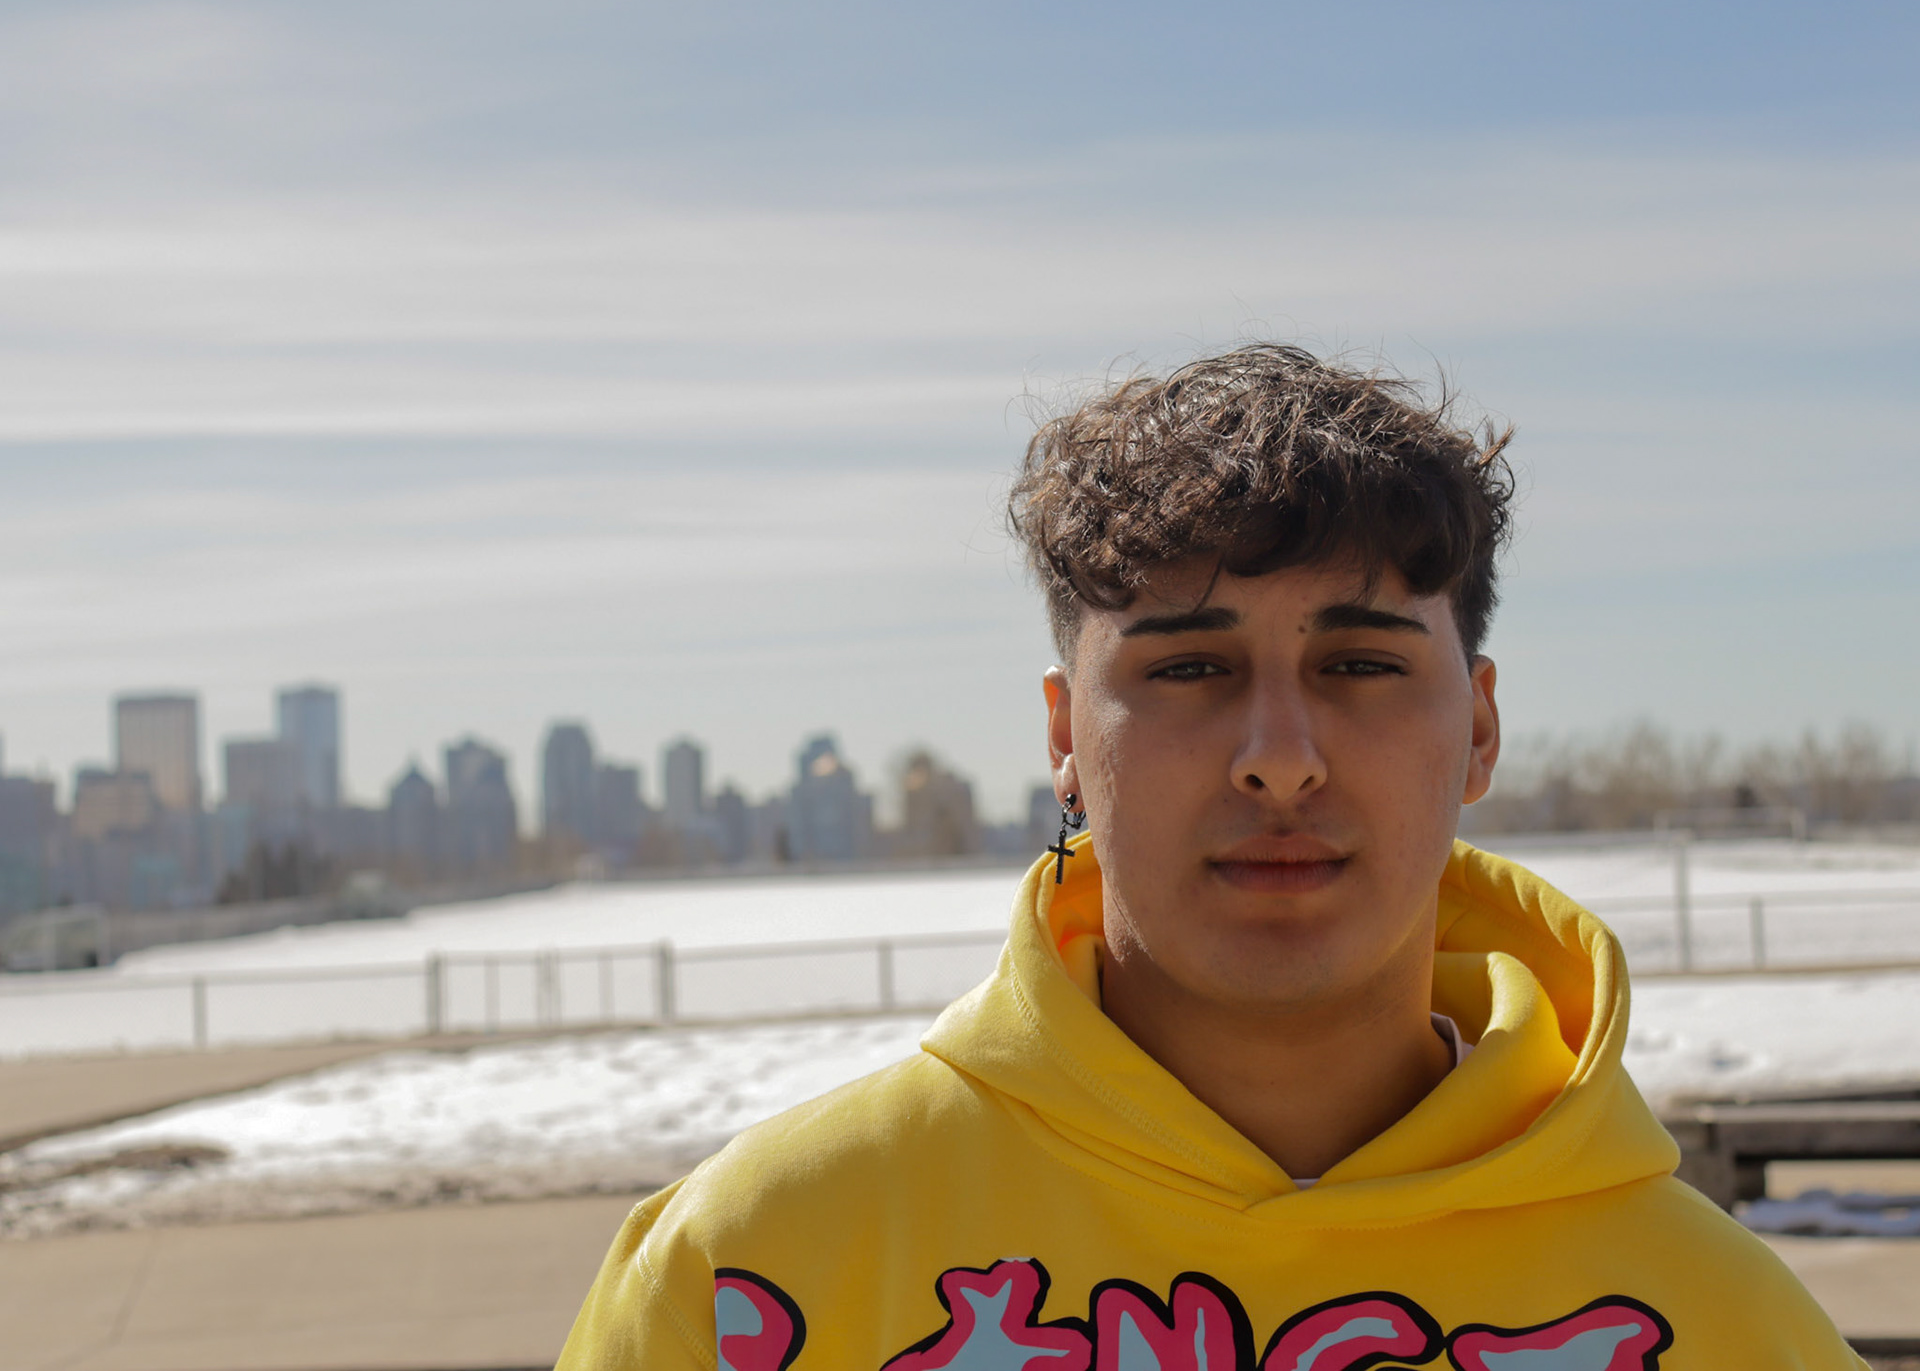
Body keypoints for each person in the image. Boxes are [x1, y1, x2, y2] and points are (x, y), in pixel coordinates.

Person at [558, 344, 1860, 1370]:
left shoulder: (1720, 1327)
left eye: (1360, 662)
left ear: (1480, 727)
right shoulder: (757, 1277)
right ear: (1066, 736)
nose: (1280, 756)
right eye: (1189, 667)